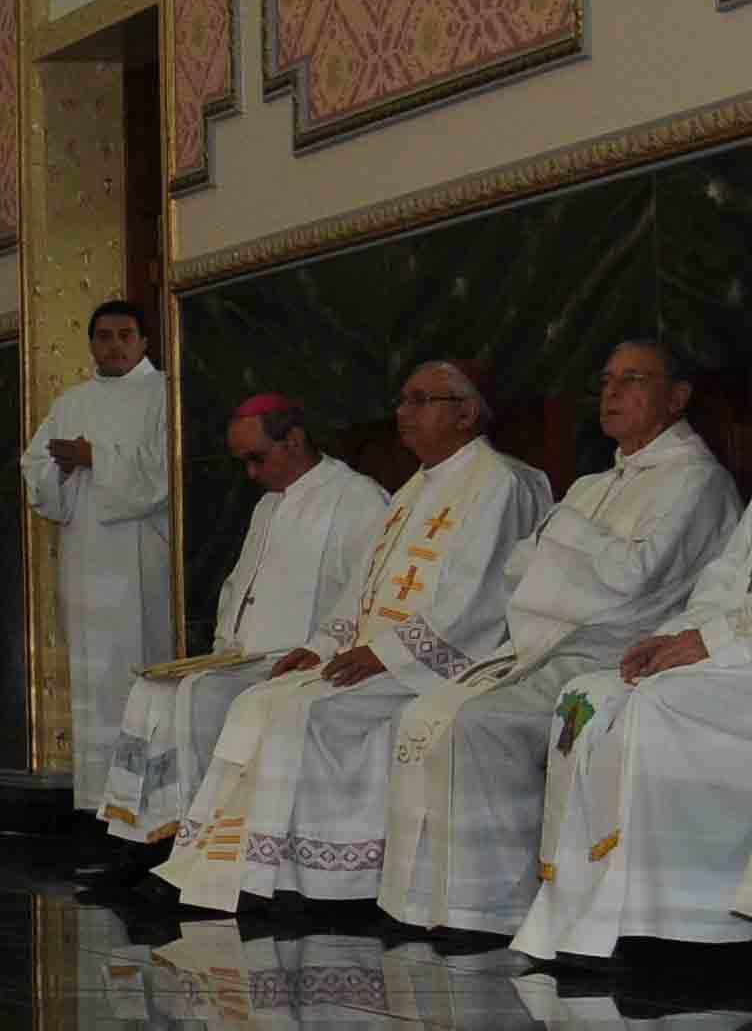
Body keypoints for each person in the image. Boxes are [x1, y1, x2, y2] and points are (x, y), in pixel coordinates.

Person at [370, 340, 741, 935]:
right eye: (607, 380)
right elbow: (524, 567)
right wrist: (572, 554)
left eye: (633, 380)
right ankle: (436, 904)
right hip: (549, 640)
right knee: (428, 713)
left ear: (677, 397)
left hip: (615, 648)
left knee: (477, 725)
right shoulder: (596, 483)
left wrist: (567, 536)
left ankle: (490, 910)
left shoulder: (696, 481)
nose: (613, 393)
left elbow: (632, 583)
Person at [162, 361, 555, 915]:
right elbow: (362, 588)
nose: (403, 412)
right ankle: (246, 870)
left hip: (448, 661)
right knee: (260, 701)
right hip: (381, 655)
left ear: (465, 413)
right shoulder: (415, 487)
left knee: (310, 714)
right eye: (403, 399)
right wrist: (323, 645)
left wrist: (388, 654)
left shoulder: (500, 484)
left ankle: (328, 885)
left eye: (421, 400)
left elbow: (480, 600)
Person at [92, 395, 389, 861]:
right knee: (152, 692)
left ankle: (205, 852)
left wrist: (322, 646)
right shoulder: (269, 505)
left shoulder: (357, 499)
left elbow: (368, 588)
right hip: (248, 656)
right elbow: (239, 584)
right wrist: (224, 645)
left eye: (257, 458)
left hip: (301, 659)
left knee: (197, 697)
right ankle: (145, 842)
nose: (250, 473)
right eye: (241, 462)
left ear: (293, 441)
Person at [515, 499, 752, 959]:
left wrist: (711, 640)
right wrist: (679, 635)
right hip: (730, 645)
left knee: (659, 702)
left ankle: (675, 917)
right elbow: (723, 582)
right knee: (586, 696)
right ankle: (580, 915)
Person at [24, 299, 178, 810]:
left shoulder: (165, 395)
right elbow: (36, 469)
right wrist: (62, 471)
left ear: (144, 342)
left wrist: (97, 459)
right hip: (87, 559)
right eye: (104, 336)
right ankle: (99, 803)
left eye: (125, 335)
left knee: (143, 675)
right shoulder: (72, 401)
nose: (114, 346)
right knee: (95, 677)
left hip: (142, 560)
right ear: (91, 343)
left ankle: (150, 806)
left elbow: (165, 472)